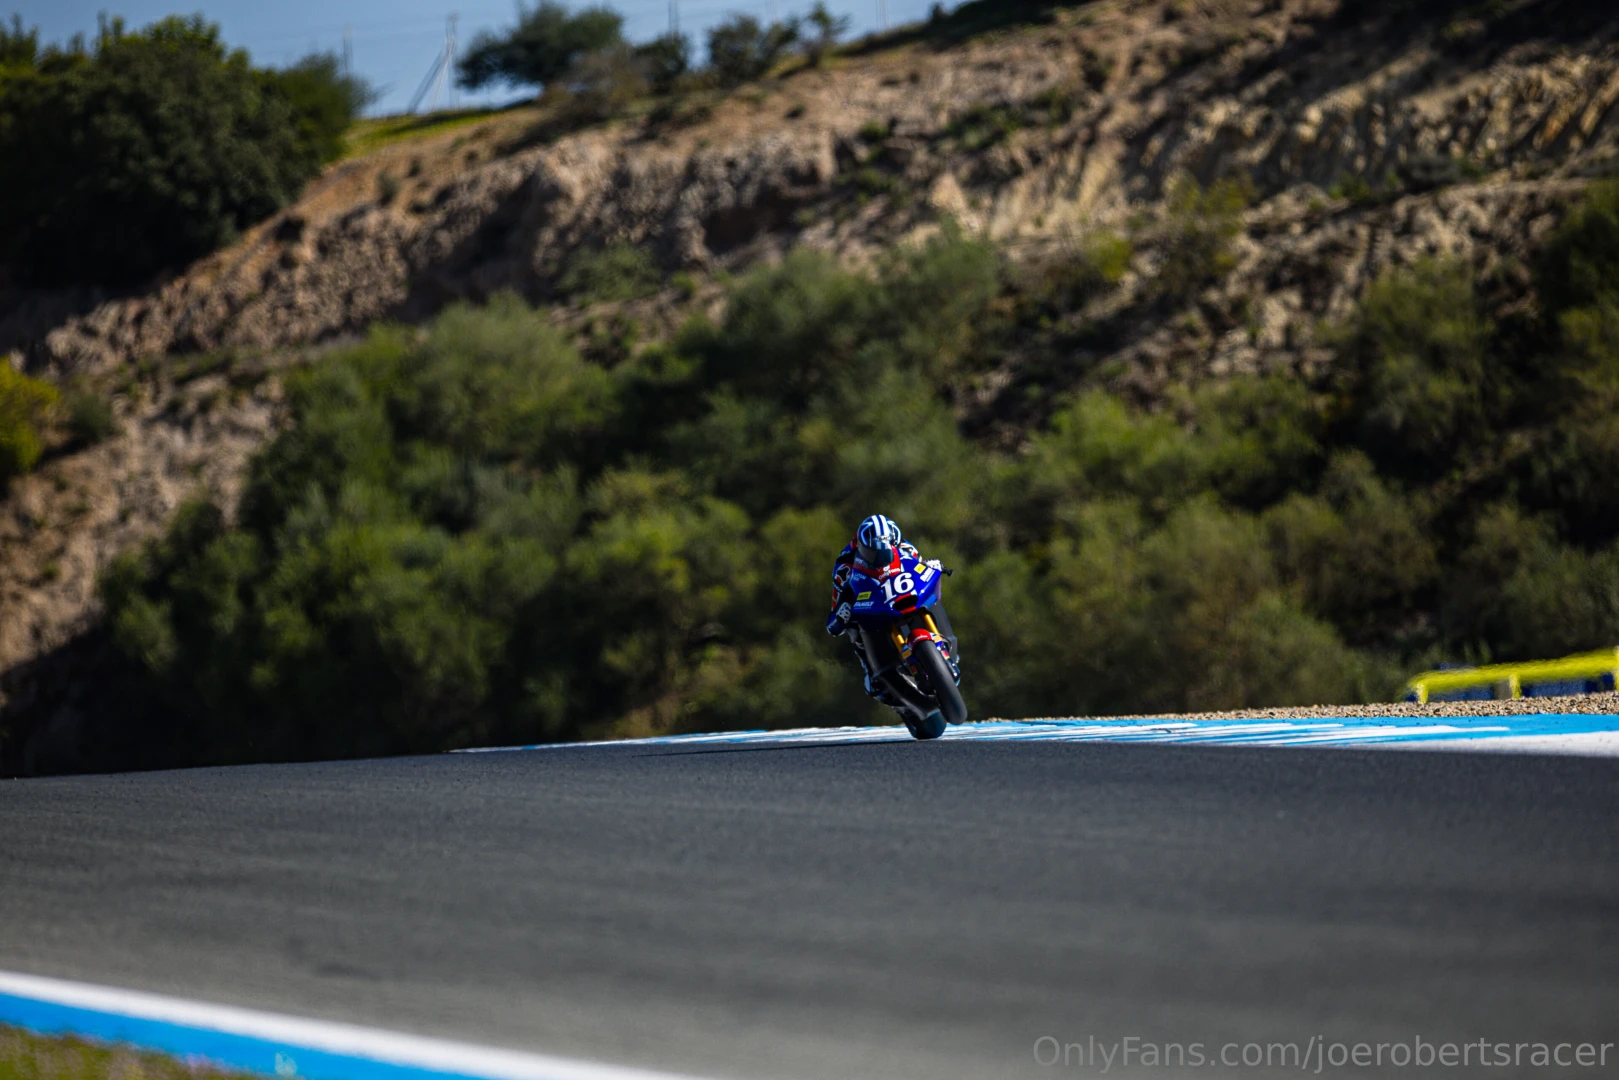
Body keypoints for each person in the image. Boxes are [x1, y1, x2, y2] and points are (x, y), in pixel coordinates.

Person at [825, 514, 956, 709]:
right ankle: (871, 669)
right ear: (862, 546)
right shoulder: (844, 565)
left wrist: (931, 566)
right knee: (854, 629)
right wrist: (842, 613)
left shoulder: (903, 544)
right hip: (870, 602)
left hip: (898, 593)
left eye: (887, 550)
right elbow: (834, 619)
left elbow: (918, 567)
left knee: (930, 599)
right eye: (874, 552)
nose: (881, 557)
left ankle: (943, 646)